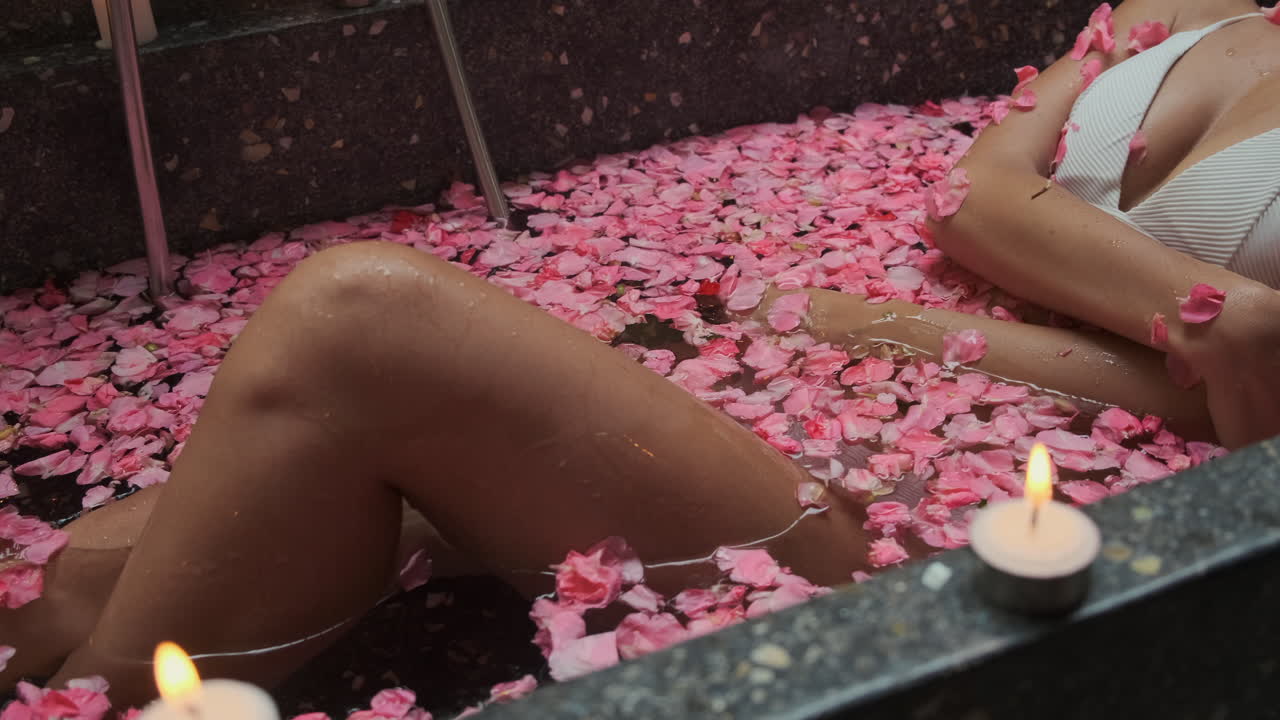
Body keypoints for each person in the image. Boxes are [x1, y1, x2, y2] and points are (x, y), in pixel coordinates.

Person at [3, 0, 1277, 708]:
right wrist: (1213, 311)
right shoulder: (1190, 1)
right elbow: (974, 195)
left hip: (1016, 501)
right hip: (825, 351)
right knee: (66, 578)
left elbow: (1243, 435)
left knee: (359, 327)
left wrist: (872, 324)